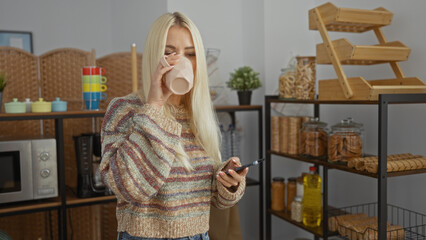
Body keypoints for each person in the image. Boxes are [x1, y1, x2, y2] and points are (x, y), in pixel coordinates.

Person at [100, 12, 248, 240]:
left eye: (190, 54)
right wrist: (154, 106)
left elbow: (211, 199)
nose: (182, 61)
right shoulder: (124, 109)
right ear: (154, 56)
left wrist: (228, 183)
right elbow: (127, 188)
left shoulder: (198, 114)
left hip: (198, 235)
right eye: (169, 53)